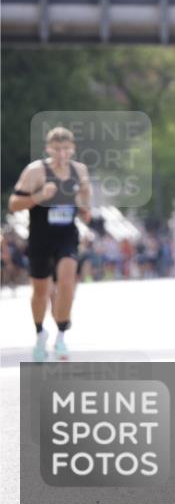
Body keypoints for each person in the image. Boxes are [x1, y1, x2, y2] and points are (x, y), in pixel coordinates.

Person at [8, 127, 92, 362]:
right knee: (40, 292)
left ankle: (62, 335)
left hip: (67, 236)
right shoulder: (35, 172)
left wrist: (85, 208)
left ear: (73, 149)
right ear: (48, 149)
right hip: (40, 237)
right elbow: (13, 204)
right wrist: (38, 197)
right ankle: (40, 333)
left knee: (67, 281)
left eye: (66, 149)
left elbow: (85, 196)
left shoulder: (79, 171)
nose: (62, 154)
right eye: (57, 149)